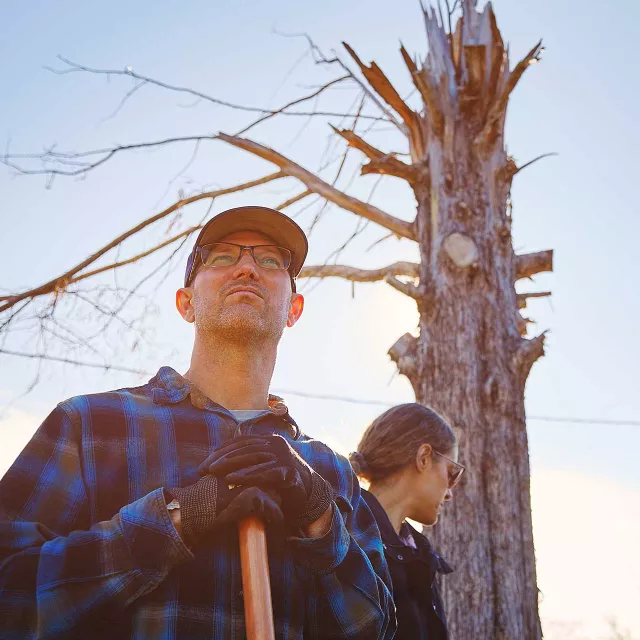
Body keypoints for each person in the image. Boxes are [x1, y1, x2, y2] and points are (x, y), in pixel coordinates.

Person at [0, 206, 395, 640]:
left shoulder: (332, 472)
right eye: (222, 257)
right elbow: (10, 597)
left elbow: (377, 628)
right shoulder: (90, 425)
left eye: (270, 260)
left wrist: (319, 516)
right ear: (186, 304)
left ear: (293, 310)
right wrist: (179, 517)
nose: (247, 267)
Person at [349, 403, 465, 640]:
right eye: (452, 473)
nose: (450, 492)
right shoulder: (343, 540)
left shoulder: (419, 556)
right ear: (424, 457)